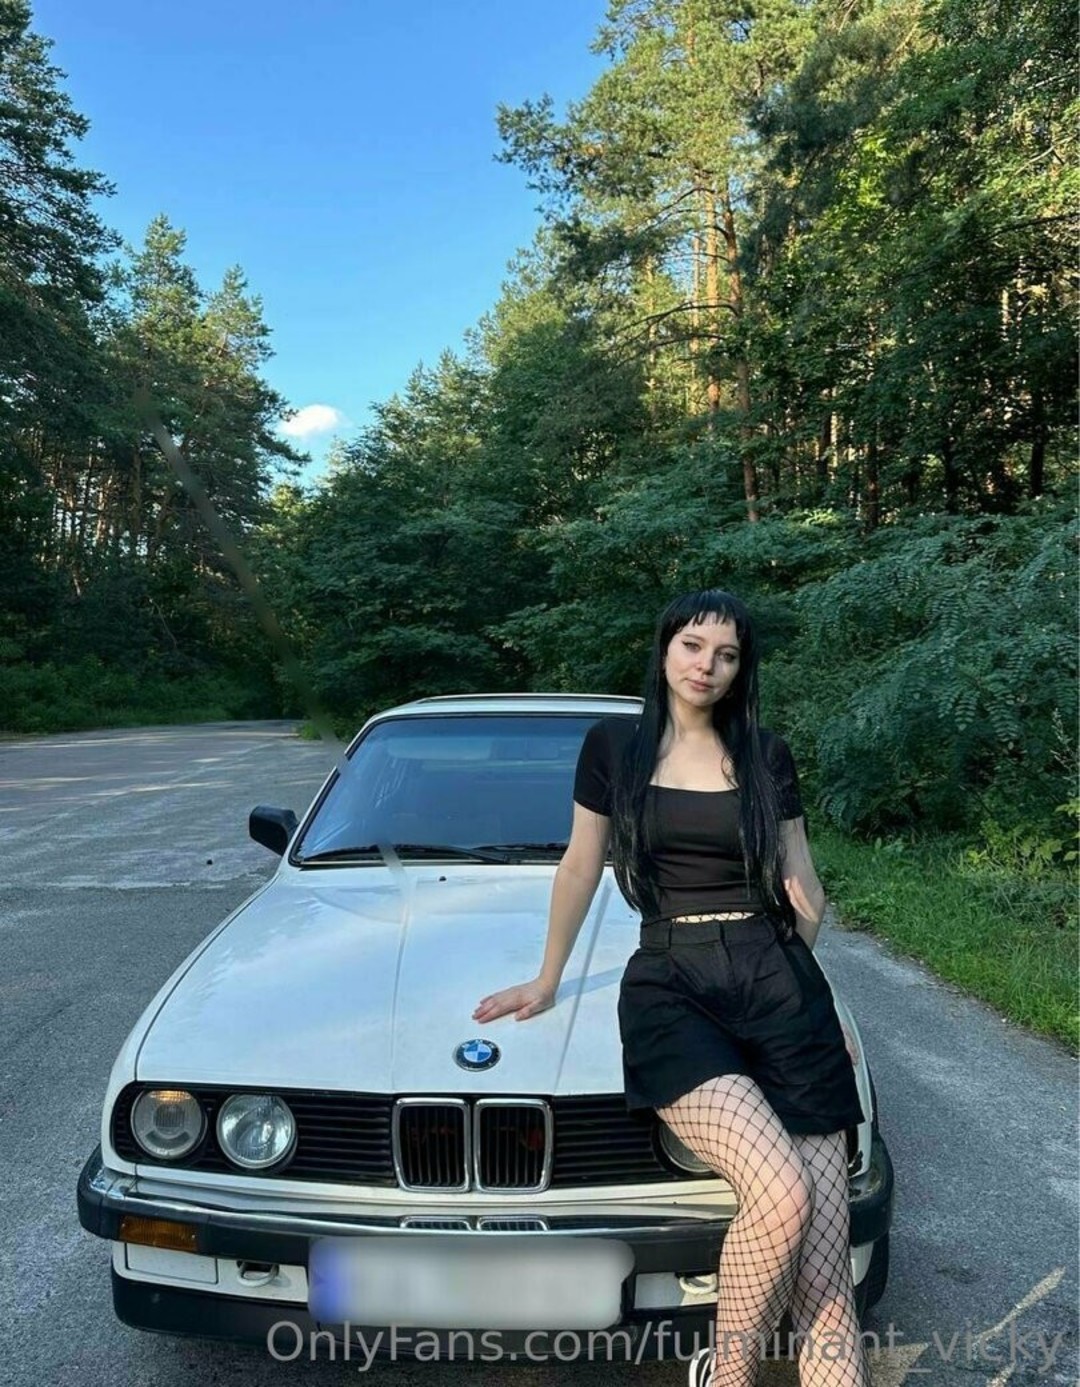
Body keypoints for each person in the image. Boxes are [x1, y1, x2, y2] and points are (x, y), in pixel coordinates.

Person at [473, 589, 870, 1387]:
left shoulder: (765, 754)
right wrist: (548, 978)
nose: (706, 666)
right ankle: (727, 1373)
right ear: (664, 648)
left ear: (741, 668)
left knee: (827, 1268)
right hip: (672, 980)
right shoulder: (614, 747)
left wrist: (796, 988)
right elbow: (581, 864)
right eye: (693, 645)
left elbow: (803, 885)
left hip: (776, 976)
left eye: (726, 655)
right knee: (783, 1195)